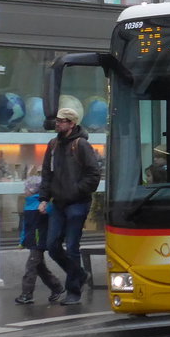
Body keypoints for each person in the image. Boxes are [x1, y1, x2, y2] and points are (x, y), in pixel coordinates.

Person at [40, 105, 102, 305]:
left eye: (61, 121)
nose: (57, 124)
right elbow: (46, 174)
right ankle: (80, 274)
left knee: (73, 246)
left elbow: (94, 174)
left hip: (77, 203)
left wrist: (76, 190)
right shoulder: (53, 145)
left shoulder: (81, 145)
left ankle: (73, 291)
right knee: (52, 245)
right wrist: (43, 198)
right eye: (56, 121)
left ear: (72, 123)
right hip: (58, 203)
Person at [14, 174, 65, 305]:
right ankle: (57, 287)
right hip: (33, 241)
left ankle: (27, 294)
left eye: (26, 189)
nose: (24, 191)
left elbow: (53, 220)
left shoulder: (43, 205)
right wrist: (22, 241)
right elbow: (25, 226)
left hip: (39, 241)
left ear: (33, 190)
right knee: (40, 267)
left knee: (31, 267)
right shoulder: (28, 205)